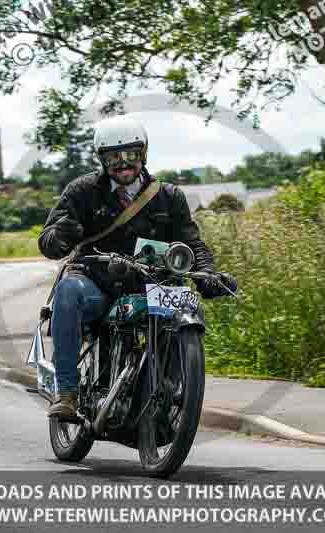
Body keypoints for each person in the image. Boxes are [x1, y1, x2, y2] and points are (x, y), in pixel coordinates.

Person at [38, 114, 237, 419]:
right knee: (68, 291)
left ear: (143, 153)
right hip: (97, 283)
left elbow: (192, 243)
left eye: (130, 154)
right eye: (113, 157)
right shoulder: (81, 191)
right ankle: (66, 392)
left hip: (153, 286)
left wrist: (208, 274)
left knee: (186, 308)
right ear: (102, 160)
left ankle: (169, 389)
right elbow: (47, 241)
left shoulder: (169, 197)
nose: (123, 163)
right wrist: (62, 234)